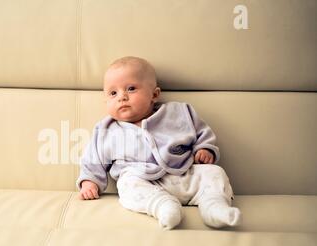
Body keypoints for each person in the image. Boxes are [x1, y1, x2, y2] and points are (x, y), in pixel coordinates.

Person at [76, 56, 241, 230]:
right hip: (144, 182)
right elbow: (92, 159)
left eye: (131, 89)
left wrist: (205, 149)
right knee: (126, 185)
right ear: (106, 101)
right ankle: (163, 207)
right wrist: (90, 182)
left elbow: (202, 132)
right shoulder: (106, 130)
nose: (122, 97)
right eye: (113, 93)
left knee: (214, 172)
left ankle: (214, 207)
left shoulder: (177, 113)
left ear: (154, 94)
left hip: (185, 174)